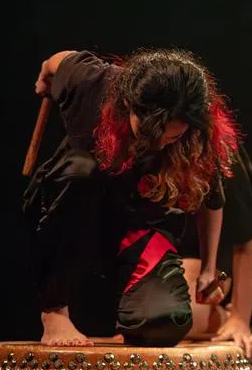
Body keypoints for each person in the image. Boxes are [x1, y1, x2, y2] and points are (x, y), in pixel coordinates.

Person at [25, 48, 239, 347]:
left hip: (139, 228)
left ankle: (135, 313)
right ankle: (55, 312)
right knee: (79, 171)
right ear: (128, 104)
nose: (160, 142)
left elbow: (212, 200)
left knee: (164, 325)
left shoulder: (198, 134)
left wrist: (207, 269)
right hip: (78, 217)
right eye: (151, 131)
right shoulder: (95, 84)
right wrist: (45, 73)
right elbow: (61, 59)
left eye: (172, 136)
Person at [179, 141, 252, 357]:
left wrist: (239, 318)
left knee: (179, 314)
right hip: (147, 259)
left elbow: (248, 235)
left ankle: (222, 316)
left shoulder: (216, 148)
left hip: (203, 266)